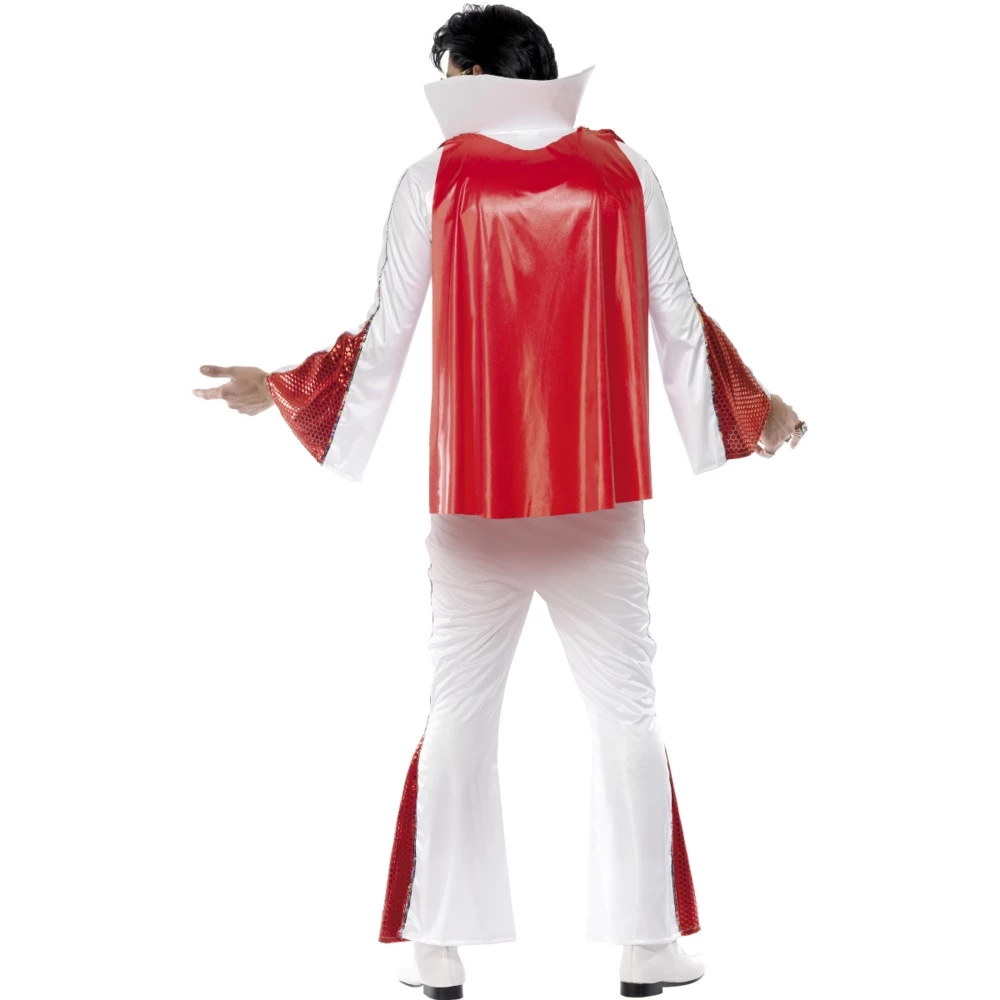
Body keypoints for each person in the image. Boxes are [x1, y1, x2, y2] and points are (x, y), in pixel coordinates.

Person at [193, 5, 807, 997]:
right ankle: (648, 945)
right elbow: (679, 317)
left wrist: (284, 389)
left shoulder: (430, 179)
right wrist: (754, 411)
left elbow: (383, 336)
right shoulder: (626, 171)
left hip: (474, 501)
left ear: (479, 74)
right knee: (626, 714)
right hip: (599, 497)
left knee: (459, 712)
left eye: (449, 77)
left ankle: (434, 945)